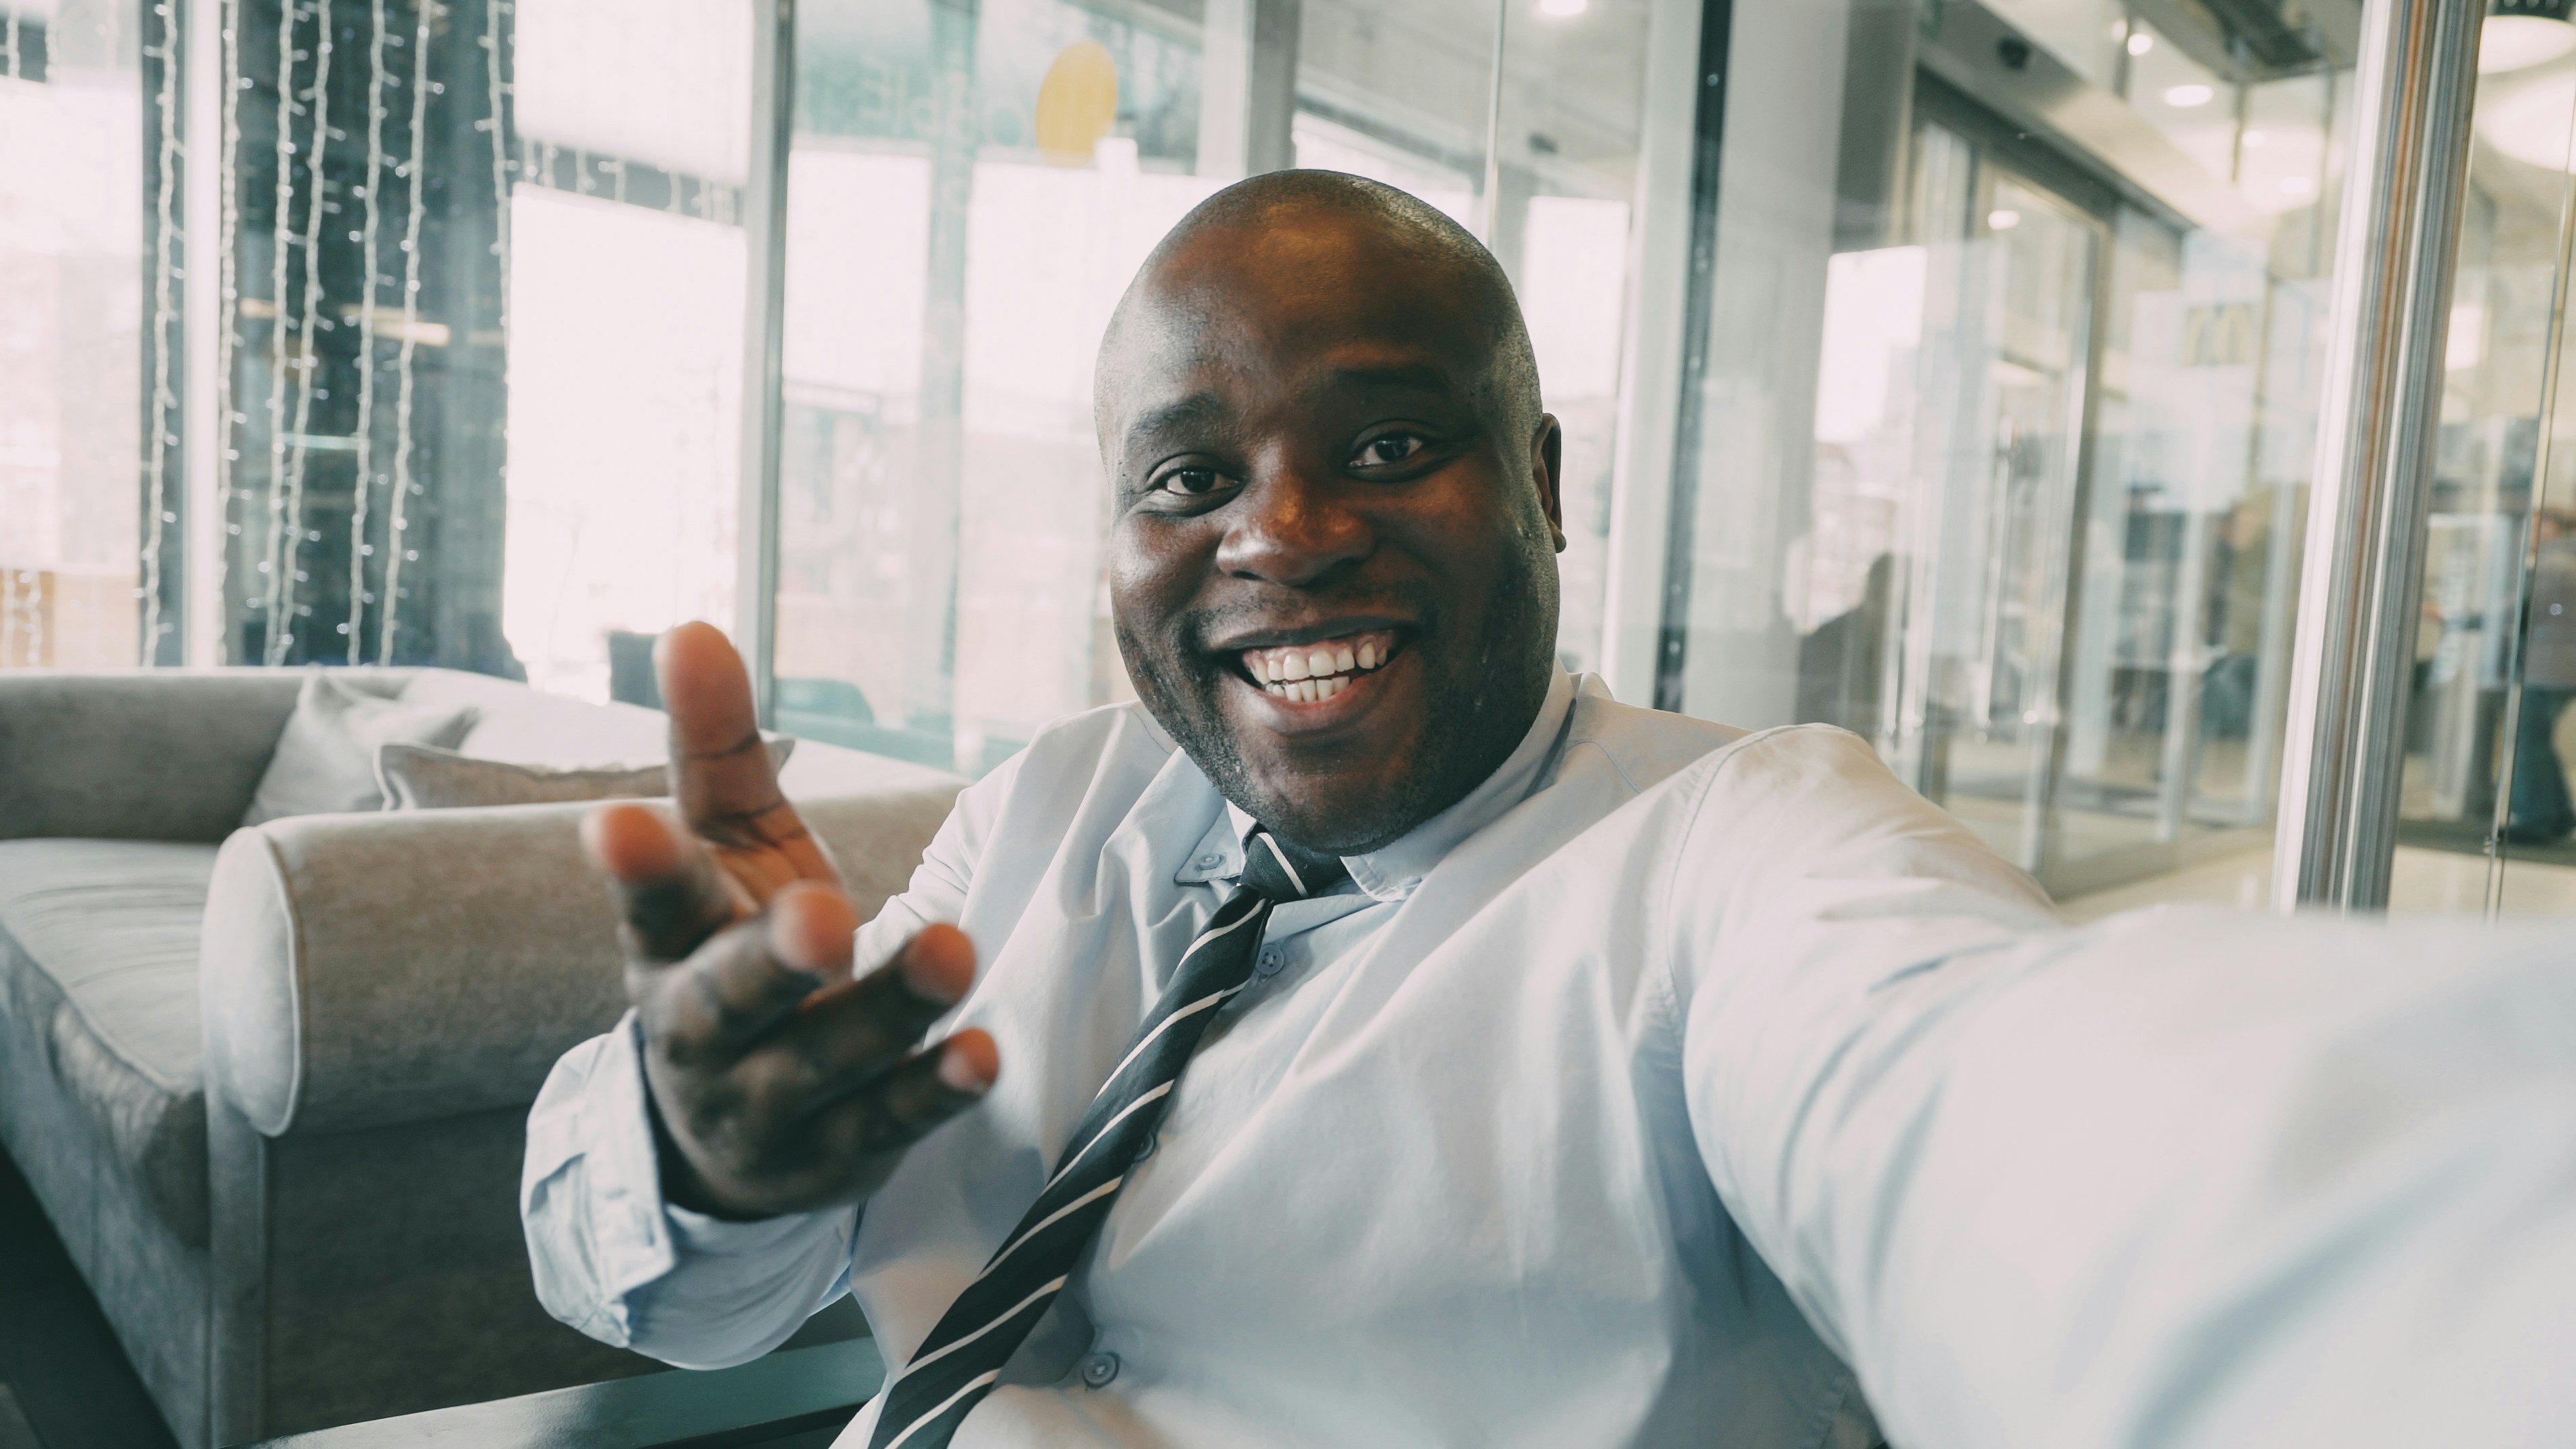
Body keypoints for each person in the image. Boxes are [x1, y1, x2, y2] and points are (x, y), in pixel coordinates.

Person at [523, 173, 2576, 1449]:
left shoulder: (1748, 853)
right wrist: (711, 1160)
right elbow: (677, 1309)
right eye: (1189, 479)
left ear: (1544, 483)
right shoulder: (1050, 807)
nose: (1281, 536)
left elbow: (2009, 1120)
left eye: (1387, 444)